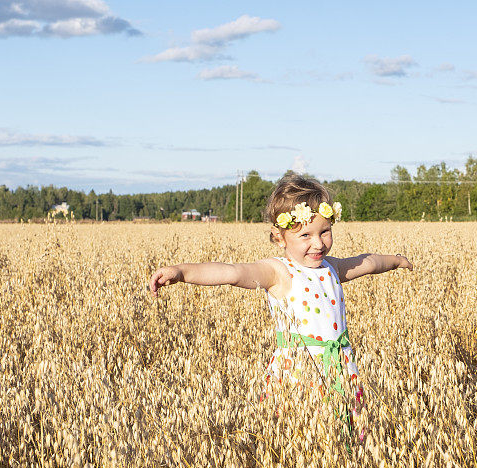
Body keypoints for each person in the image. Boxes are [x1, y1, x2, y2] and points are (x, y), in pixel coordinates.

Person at [148, 175, 413, 440]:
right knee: (300, 437)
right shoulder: (278, 271)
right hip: (298, 373)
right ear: (279, 237)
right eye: (305, 235)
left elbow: (366, 263)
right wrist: (182, 272)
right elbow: (231, 272)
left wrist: (396, 260)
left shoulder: (331, 267)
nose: (318, 243)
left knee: (349, 438)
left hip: (341, 369)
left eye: (324, 231)